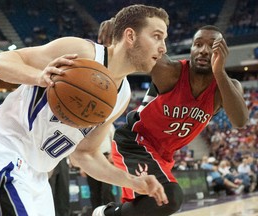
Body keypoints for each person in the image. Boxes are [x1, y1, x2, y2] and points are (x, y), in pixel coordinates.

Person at [0, 4, 170, 215]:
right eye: (157, 36)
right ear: (130, 36)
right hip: (3, 154)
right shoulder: (82, 53)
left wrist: (134, 182)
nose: (163, 47)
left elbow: (85, 155)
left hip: (37, 177)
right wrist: (39, 77)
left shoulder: (122, 96)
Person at [93, 20, 249, 216]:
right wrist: (118, 31)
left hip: (163, 155)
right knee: (170, 196)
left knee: (152, 203)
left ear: (223, 52)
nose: (203, 50)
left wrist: (219, 71)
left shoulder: (225, 88)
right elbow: (139, 46)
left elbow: (240, 121)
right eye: (198, 44)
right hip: (135, 142)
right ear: (191, 47)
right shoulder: (170, 71)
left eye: (212, 46)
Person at [80, 124, 116, 212]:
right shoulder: (86, 125)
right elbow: (81, 146)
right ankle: (96, 213)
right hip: (90, 159)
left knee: (106, 190)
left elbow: (115, 140)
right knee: (94, 191)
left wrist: (113, 154)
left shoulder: (109, 124)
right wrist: (82, 166)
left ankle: (110, 212)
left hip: (106, 158)